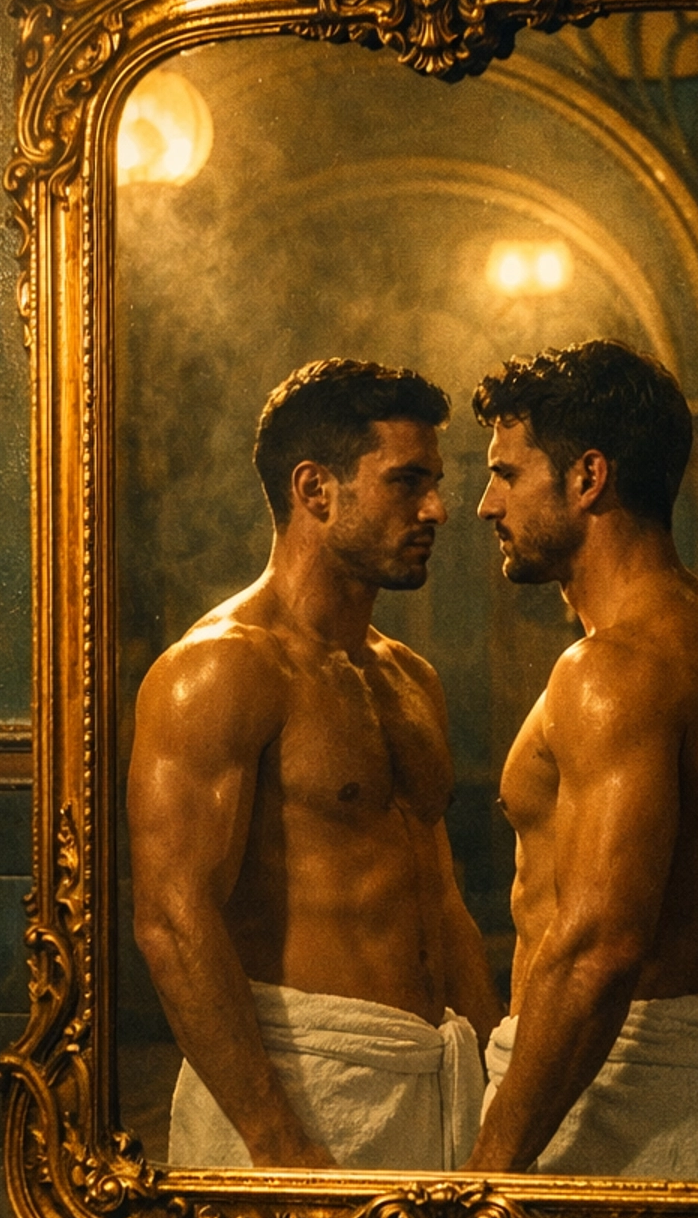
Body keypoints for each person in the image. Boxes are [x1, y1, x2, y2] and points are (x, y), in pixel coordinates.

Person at [128, 358, 502, 1170]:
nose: (438, 508)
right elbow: (171, 921)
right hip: (301, 1087)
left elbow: (444, 901)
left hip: (431, 1077)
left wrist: (490, 1082)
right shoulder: (218, 670)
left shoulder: (409, 677)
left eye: (436, 482)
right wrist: (275, 1139)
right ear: (315, 489)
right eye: (408, 482)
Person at [464, 339, 698, 1178]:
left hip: (618, 1100)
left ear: (587, 478)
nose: (484, 504)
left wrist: (481, 1177)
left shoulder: (610, 670)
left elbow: (598, 948)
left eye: (507, 474)